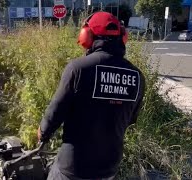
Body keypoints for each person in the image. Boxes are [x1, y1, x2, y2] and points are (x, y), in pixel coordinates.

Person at [38, 12, 145, 180]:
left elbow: (55, 113)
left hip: (74, 167)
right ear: (123, 37)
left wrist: (43, 133)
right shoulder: (137, 76)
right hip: (109, 167)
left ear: (87, 36)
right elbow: (130, 119)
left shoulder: (78, 68)